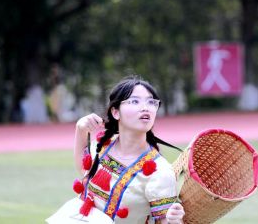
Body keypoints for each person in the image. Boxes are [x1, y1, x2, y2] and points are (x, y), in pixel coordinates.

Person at [73, 76, 185, 223]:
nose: (145, 107)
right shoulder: (103, 145)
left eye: (151, 102)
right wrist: (80, 130)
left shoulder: (161, 173)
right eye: (135, 101)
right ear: (115, 112)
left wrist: (174, 221)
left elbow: (164, 221)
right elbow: (84, 169)